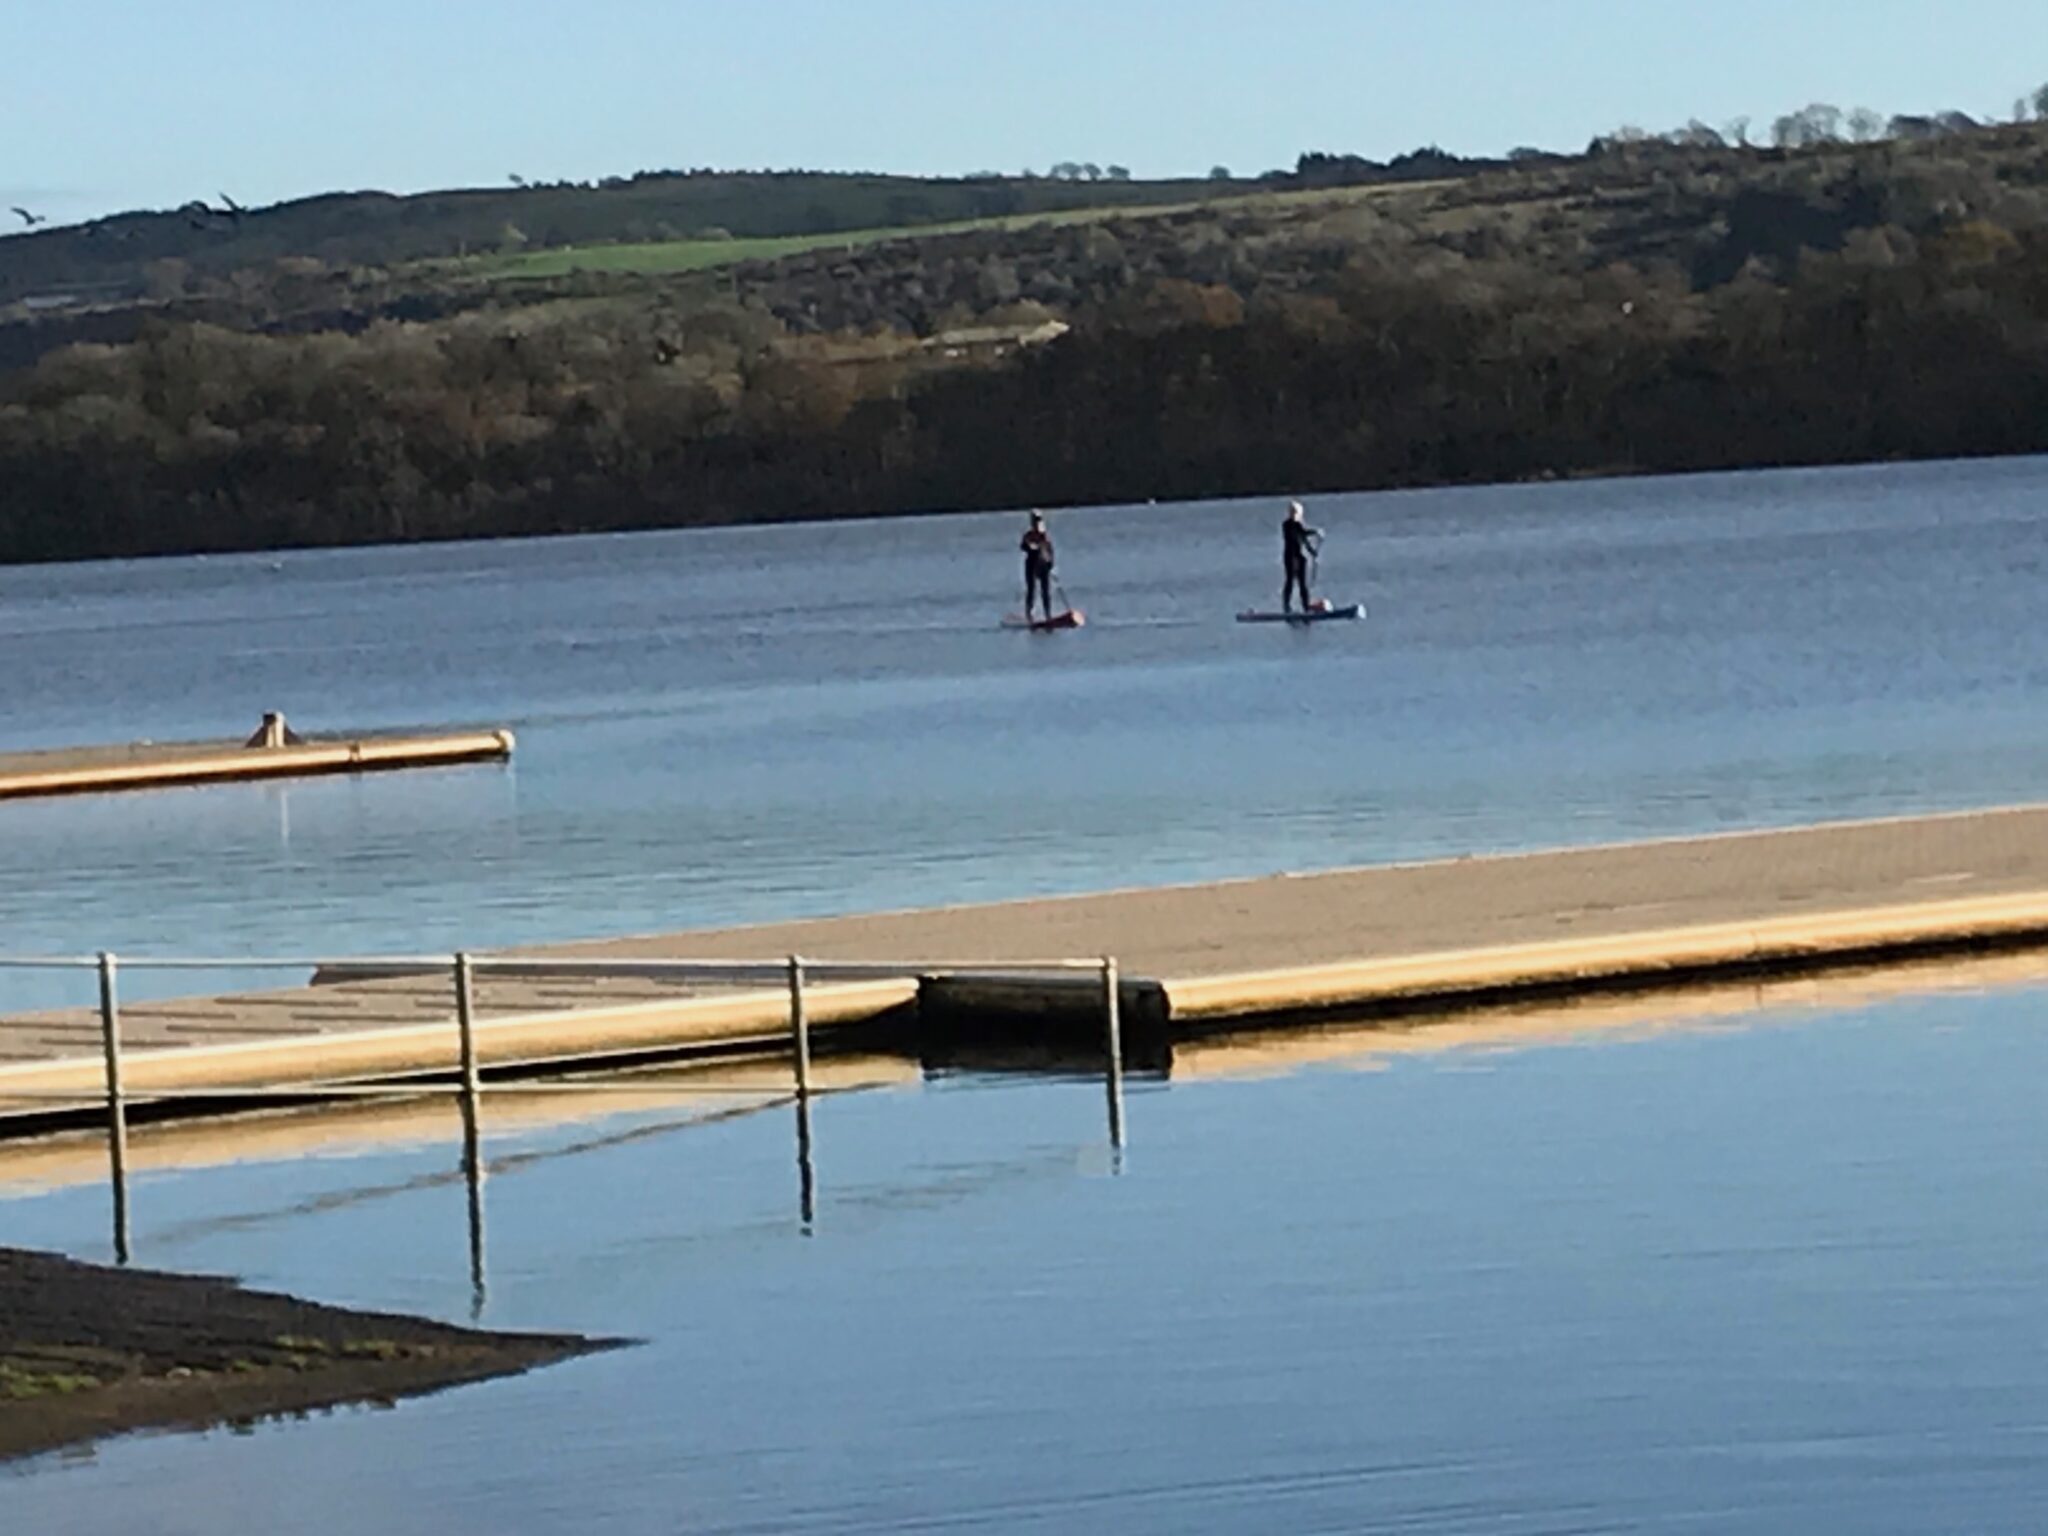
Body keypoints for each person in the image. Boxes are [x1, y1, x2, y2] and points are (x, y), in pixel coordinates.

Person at [1280, 500, 1322, 613]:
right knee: (1290, 582)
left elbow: (1303, 540)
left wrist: (1312, 552)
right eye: (1294, 512)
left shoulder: (1299, 524)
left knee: (1303, 584)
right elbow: (1300, 535)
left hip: (1300, 557)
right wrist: (1315, 532)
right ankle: (1286, 607)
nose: (1296, 515)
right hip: (1290, 557)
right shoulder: (1287, 525)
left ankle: (1306, 607)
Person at [1020, 511, 1056, 621]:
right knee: (1031, 590)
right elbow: (1024, 546)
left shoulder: (1044, 536)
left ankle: (1048, 615)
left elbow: (1050, 550)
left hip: (1043, 565)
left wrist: (1050, 563)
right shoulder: (1028, 535)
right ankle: (1029, 615)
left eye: (1038, 520)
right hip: (1031, 565)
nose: (1037, 523)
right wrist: (1032, 547)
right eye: (1035, 520)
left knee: (1045, 591)